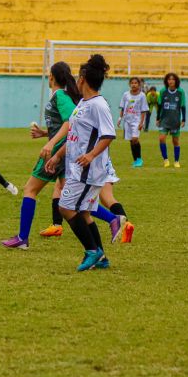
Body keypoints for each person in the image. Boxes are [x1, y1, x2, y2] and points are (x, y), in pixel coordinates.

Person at [45, 54, 115, 271]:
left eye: (78, 76)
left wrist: (91, 155)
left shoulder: (98, 105)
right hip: (76, 166)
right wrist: (57, 156)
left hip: (87, 169)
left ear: (83, 79)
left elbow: (108, 135)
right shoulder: (83, 104)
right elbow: (75, 135)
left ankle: (92, 251)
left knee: (65, 207)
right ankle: (101, 258)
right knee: (83, 213)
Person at [0, 61, 80, 249]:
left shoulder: (60, 95)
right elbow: (63, 123)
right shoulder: (61, 95)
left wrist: (51, 143)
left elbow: (70, 123)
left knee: (30, 189)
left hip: (58, 151)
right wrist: (45, 133)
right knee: (72, 198)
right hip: (65, 149)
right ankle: (114, 219)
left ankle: (22, 238)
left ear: (51, 76)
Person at [157, 72, 186, 168]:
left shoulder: (180, 92)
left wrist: (183, 119)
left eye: (173, 79)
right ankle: (165, 160)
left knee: (175, 141)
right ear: (166, 81)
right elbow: (159, 105)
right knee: (161, 138)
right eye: (169, 79)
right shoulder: (162, 91)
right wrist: (157, 118)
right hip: (164, 120)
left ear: (176, 81)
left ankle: (176, 161)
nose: (171, 81)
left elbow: (183, 106)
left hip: (175, 121)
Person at [117, 77, 148, 167]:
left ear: (139, 85)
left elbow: (143, 110)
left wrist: (142, 122)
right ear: (129, 84)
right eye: (132, 83)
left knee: (135, 139)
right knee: (131, 140)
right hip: (127, 120)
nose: (134, 84)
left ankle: (139, 159)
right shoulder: (126, 95)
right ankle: (135, 160)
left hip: (136, 120)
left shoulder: (142, 95)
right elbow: (123, 107)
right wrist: (120, 118)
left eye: (136, 83)